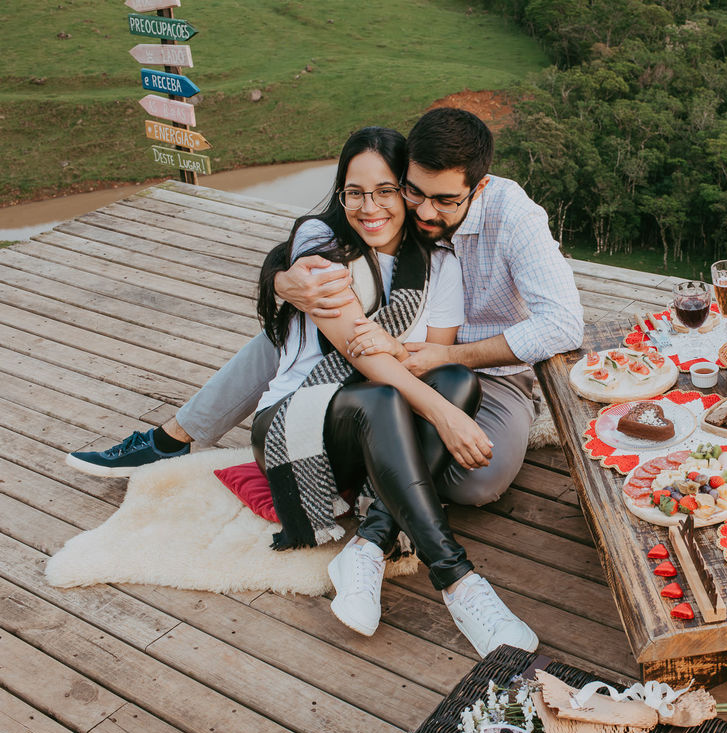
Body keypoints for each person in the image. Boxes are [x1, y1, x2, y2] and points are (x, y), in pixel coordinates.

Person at [68, 108, 583, 513]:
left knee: (477, 484)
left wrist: (447, 357)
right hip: (388, 342)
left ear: (479, 187)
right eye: (414, 192)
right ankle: (171, 438)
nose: (426, 212)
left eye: (446, 201)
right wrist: (280, 277)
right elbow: (334, 229)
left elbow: (563, 324)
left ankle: (373, 472)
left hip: (485, 366)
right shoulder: (402, 197)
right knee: (304, 326)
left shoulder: (513, 216)